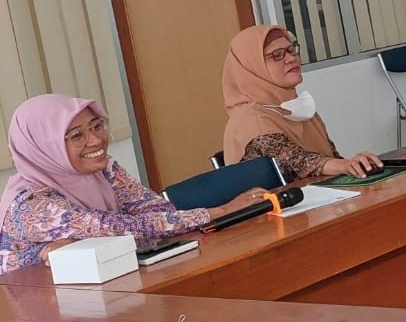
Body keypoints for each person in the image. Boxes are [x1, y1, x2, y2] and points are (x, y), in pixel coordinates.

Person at [0, 95, 263, 273]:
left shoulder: (103, 169)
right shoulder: (30, 205)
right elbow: (117, 227)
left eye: (97, 126)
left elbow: (158, 215)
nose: (95, 141)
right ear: (43, 147)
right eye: (77, 136)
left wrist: (93, 240)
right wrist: (221, 211)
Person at [221, 25, 382, 179]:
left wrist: (357, 164)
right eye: (277, 54)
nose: (291, 58)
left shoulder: (296, 109)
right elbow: (297, 162)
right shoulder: (250, 118)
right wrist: (344, 165)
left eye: (292, 49)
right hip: (279, 205)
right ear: (252, 66)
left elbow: (331, 159)